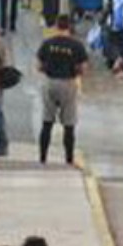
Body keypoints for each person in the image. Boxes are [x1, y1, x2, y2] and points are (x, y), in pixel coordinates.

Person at [34, 14, 88, 164]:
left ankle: (43, 157)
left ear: (57, 26)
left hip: (50, 82)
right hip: (68, 83)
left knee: (47, 121)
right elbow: (83, 69)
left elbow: (38, 66)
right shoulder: (77, 46)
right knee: (69, 124)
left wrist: (48, 69)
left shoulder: (47, 43)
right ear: (70, 27)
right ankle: (68, 159)